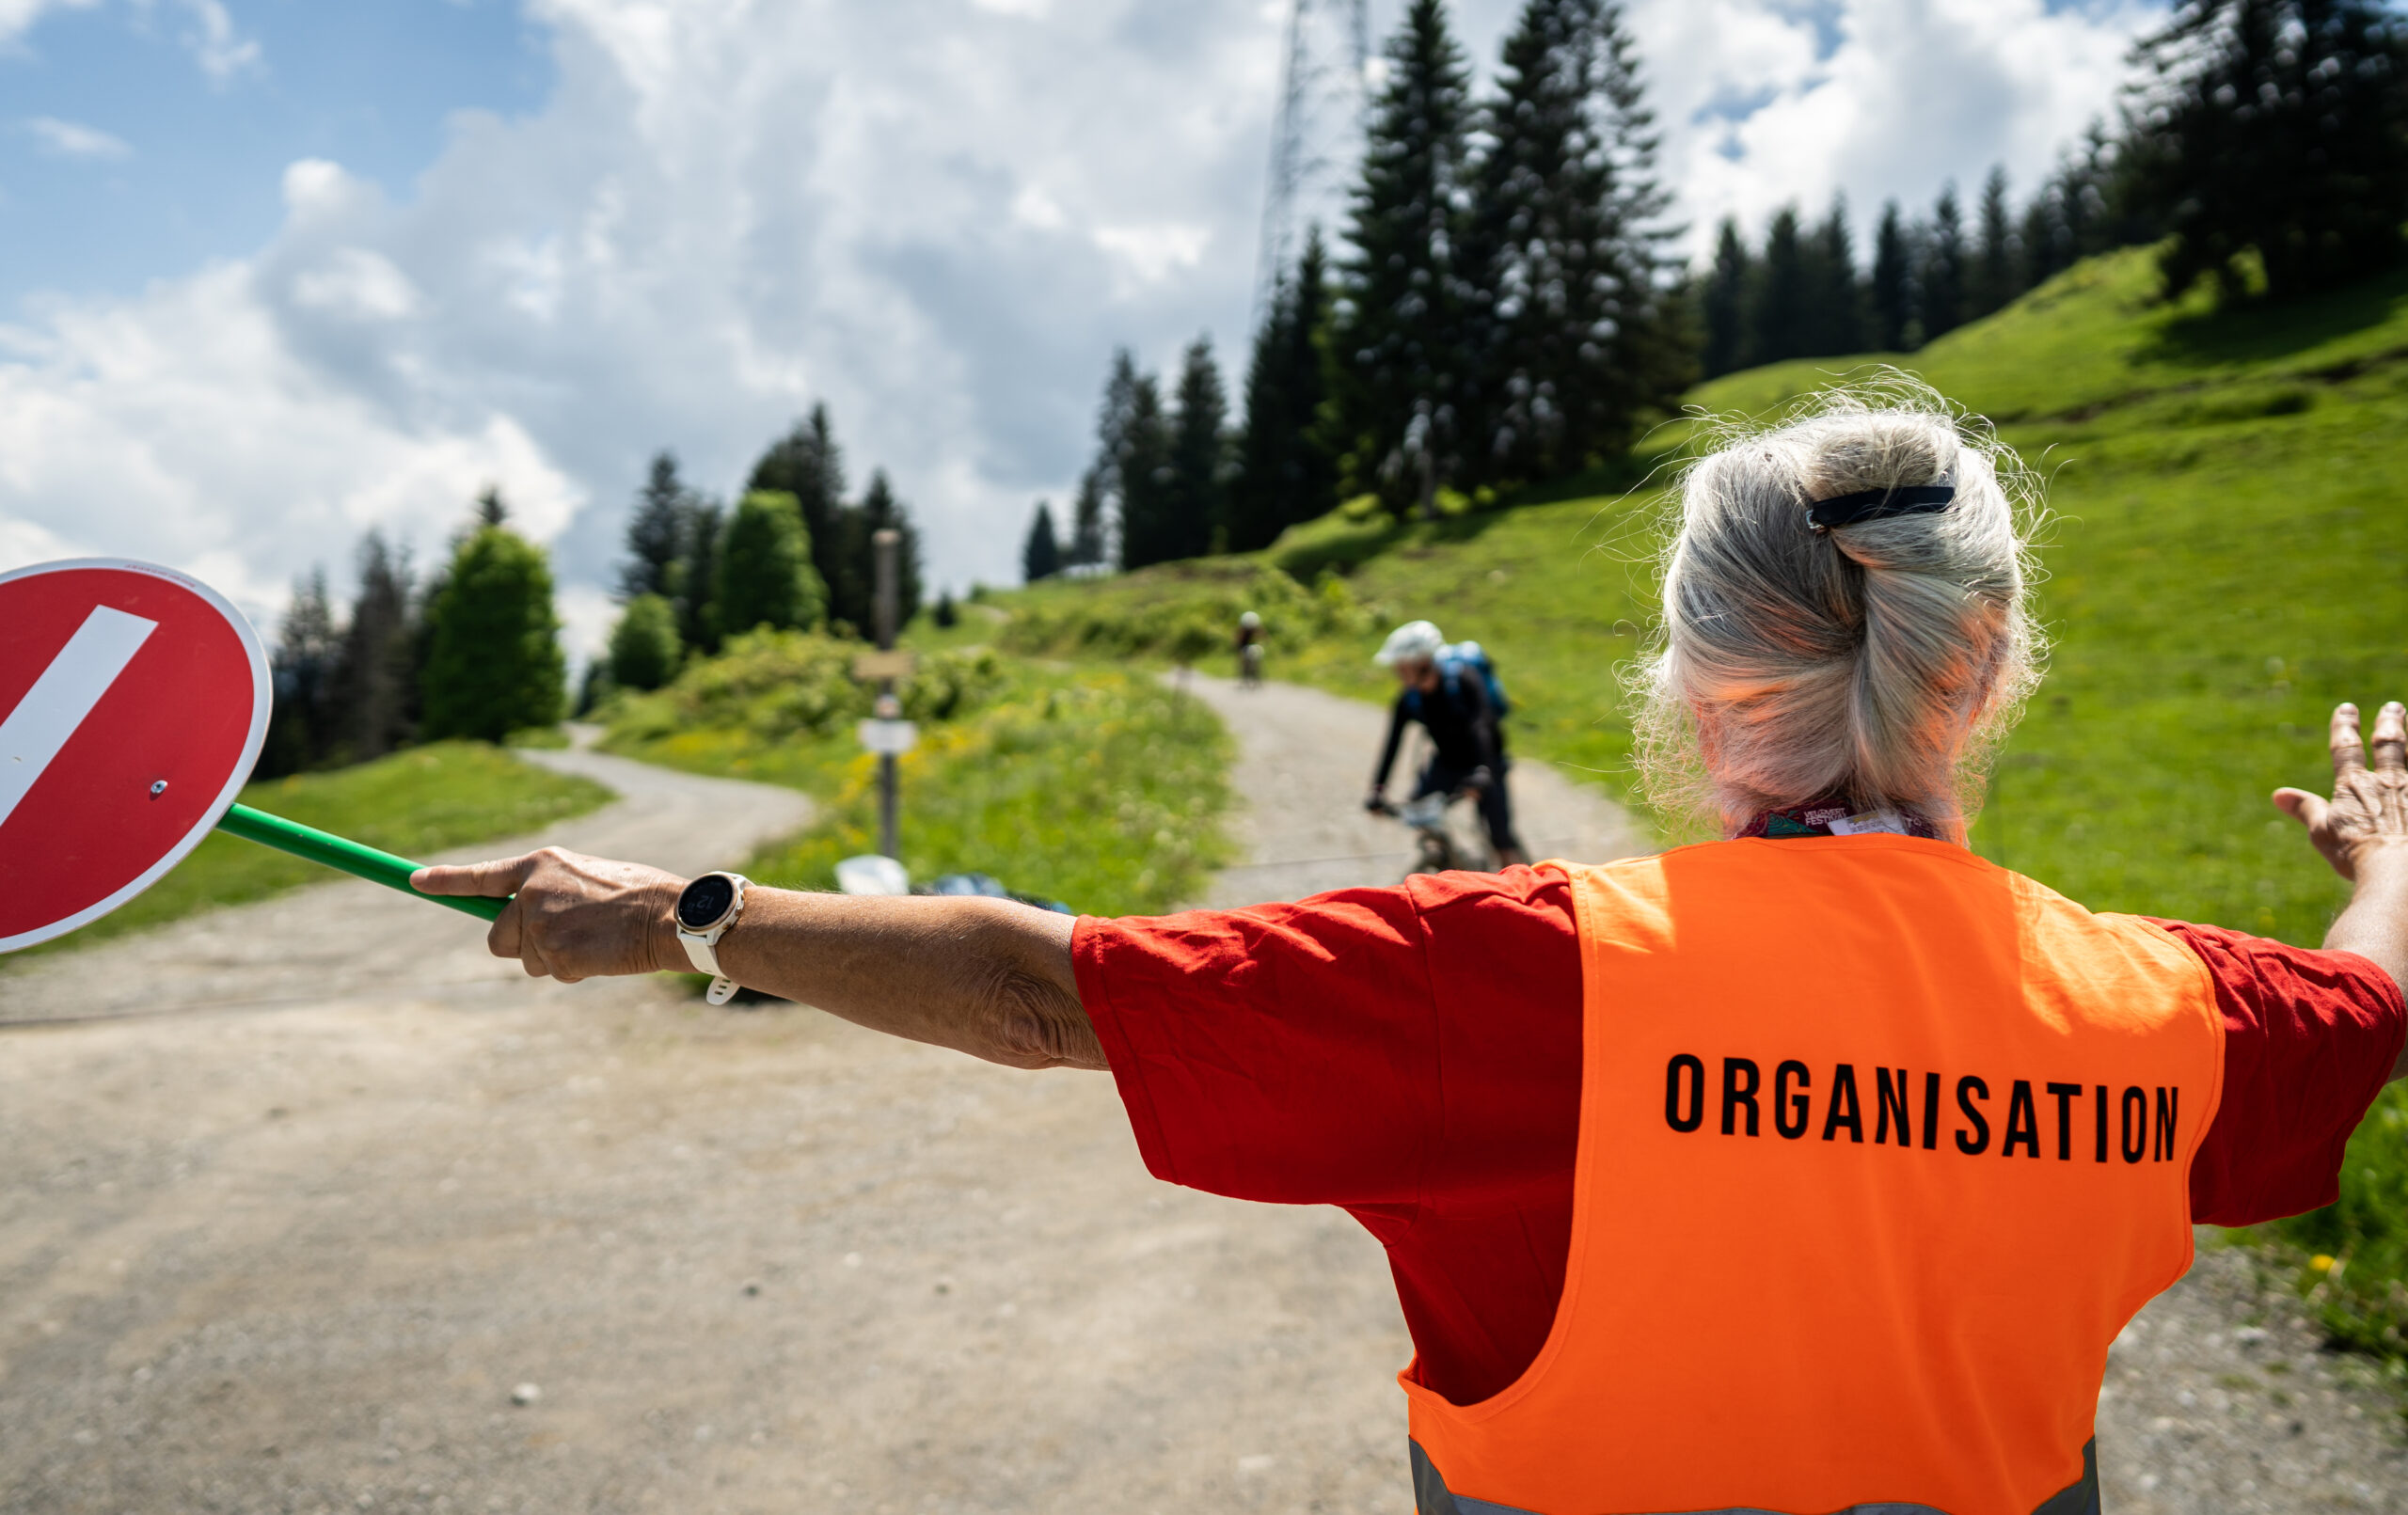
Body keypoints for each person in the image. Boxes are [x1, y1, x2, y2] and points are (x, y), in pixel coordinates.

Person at [417, 385, 2405, 1515]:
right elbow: (2371, 1002)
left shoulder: (1512, 970)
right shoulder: (2167, 1008)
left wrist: (673, 913)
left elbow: (1040, 990)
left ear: (1701, 688)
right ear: (1982, 675)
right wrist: (2383, 853)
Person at [1366, 620, 1528, 867]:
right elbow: (1392, 744)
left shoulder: (1463, 680)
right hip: (1447, 762)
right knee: (1420, 813)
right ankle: (1450, 866)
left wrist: (1483, 771)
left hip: (1485, 761)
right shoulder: (1408, 699)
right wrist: (1378, 789)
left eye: (1402, 665)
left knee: (1500, 837)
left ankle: (1525, 890)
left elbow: (1481, 725)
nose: (1397, 670)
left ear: (1421, 661)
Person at [1235, 608, 1265, 687]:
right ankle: (1244, 679)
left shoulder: (1258, 629)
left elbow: (1264, 637)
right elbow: (1238, 641)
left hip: (1254, 648)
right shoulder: (1242, 630)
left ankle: (1257, 679)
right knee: (1244, 662)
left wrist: (1262, 642)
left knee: (1257, 662)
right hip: (1244, 647)